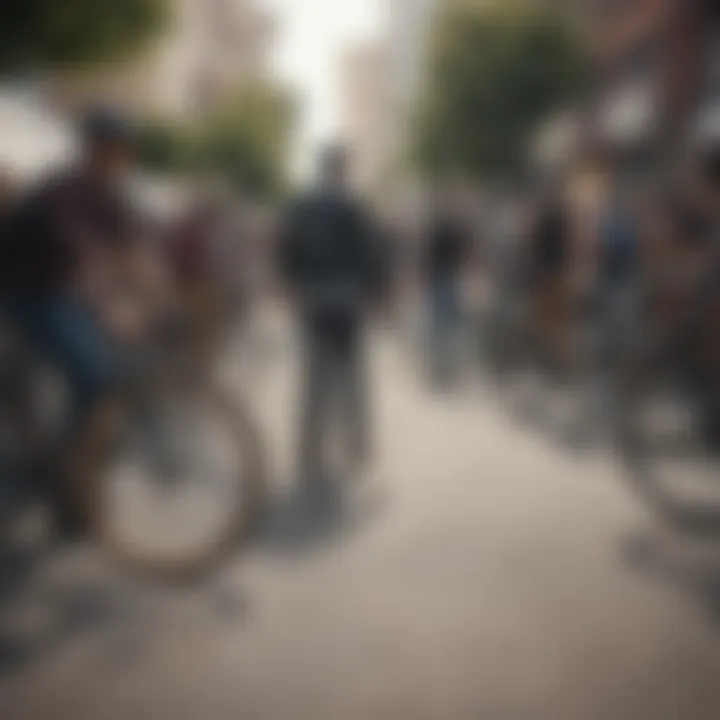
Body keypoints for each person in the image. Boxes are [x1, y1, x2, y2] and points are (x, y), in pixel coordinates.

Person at [0, 106, 164, 533]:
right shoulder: (63, 190)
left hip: (61, 294)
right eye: (115, 150)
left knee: (101, 376)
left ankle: (73, 467)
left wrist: (155, 294)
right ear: (94, 150)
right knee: (95, 379)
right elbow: (85, 252)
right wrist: (114, 306)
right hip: (27, 295)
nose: (122, 160)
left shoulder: (109, 194)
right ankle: (65, 479)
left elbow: (135, 244)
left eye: (126, 152)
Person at [278, 144, 381, 487]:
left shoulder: (302, 206)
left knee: (314, 380)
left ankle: (309, 455)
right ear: (342, 169)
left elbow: (286, 249)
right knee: (350, 377)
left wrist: (290, 285)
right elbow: (367, 253)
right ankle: (356, 449)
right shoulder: (351, 206)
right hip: (345, 299)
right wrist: (373, 292)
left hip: (312, 299)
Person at [422, 193, 470, 384]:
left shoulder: (436, 231)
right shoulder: (454, 231)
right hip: (450, 279)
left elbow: (427, 257)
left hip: (439, 279)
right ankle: (448, 369)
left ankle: (439, 369)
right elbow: (464, 256)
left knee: (439, 327)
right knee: (450, 326)